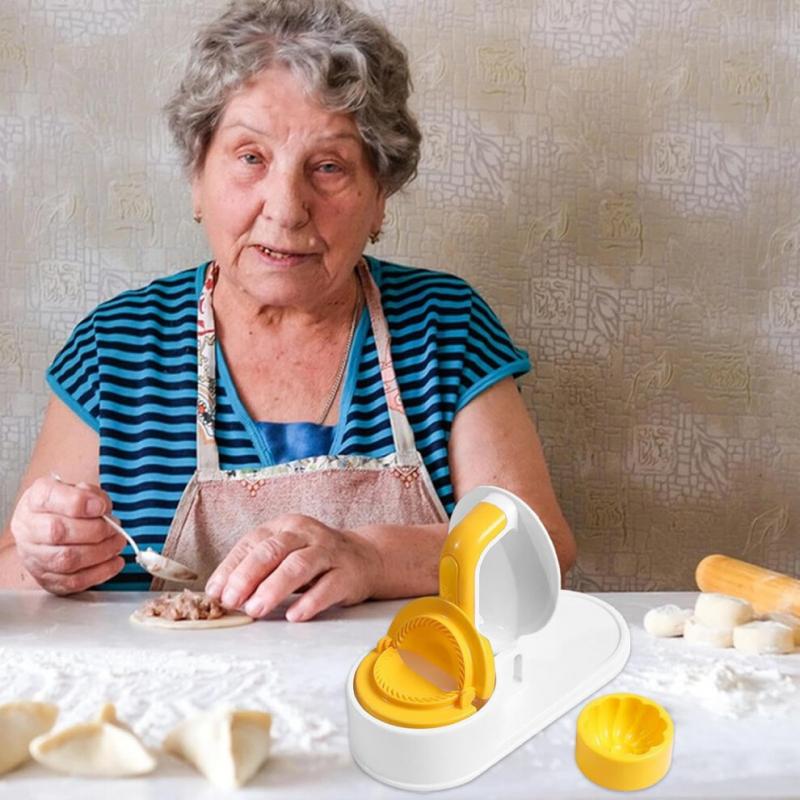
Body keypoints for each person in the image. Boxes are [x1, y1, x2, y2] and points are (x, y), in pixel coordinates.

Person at [0, 0, 576, 621]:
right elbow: (11, 573)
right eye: (251, 158)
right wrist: (43, 559)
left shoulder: (445, 326)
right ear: (197, 176)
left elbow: (539, 547)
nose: (285, 207)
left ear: (380, 198)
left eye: (328, 167)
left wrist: (370, 556)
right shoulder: (115, 348)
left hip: (404, 702)